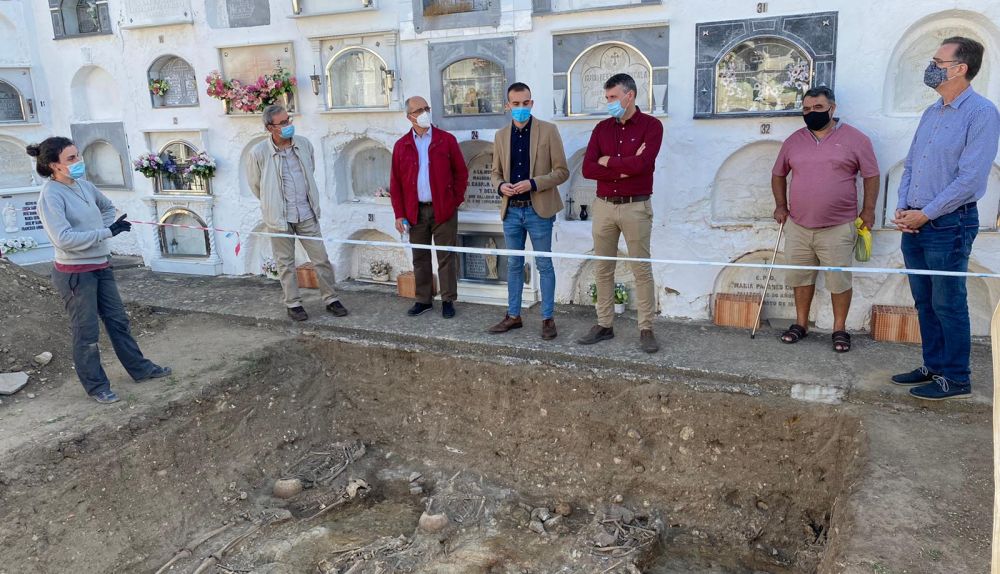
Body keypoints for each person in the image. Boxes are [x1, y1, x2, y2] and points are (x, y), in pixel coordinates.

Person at [891, 36, 1000, 400]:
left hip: (950, 223)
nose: (931, 67)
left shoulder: (981, 113)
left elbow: (970, 179)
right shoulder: (932, 112)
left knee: (948, 303)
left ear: (960, 69)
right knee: (924, 300)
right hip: (916, 222)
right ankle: (934, 365)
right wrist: (904, 207)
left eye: (938, 62)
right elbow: (912, 164)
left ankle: (956, 377)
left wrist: (925, 214)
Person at [31, 137, 171, 404]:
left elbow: (107, 207)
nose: (78, 162)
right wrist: (105, 232)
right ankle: (97, 386)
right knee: (86, 333)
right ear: (54, 165)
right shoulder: (51, 195)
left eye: (77, 155)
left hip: (101, 265)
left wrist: (106, 227)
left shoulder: (84, 186)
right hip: (75, 273)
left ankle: (140, 369)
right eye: (71, 158)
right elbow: (63, 239)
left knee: (118, 322)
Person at [771, 86, 880, 352]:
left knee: (838, 281)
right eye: (806, 109)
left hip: (839, 226)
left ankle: (839, 329)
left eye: (818, 108)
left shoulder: (856, 139)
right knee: (800, 277)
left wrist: (868, 211)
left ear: (832, 108)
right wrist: (780, 206)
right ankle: (800, 324)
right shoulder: (794, 141)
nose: (811, 113)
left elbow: (871, 175)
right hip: (798, 224)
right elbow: (778, 174)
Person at [577, 73, 663, 353]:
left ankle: (646, 328)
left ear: (630, 95)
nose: (609, 102)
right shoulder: (602, 128)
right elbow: (588, 168)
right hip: (603, 206)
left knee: (641, 268)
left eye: (613, 97)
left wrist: (608, 161)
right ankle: (604, 325)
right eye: (607, 98)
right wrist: (625, 165)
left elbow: (644, 165)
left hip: (636, 206)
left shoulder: (652, 126)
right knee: (603, 268)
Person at [247, 104, 348, 322]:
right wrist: (272, 204)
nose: (288, 125)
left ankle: (331, 299)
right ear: (270, 127)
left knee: (321, 259)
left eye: (288, 120)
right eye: (283, 122)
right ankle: (293, 303)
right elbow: (256, 186)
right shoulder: (259, 153)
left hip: (306, 212)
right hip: (279, 218)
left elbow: (310, 170)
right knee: (285, 263)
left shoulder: (303, 144)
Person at [488, 82, 569, 340]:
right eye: (516, 104)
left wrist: (533, 183)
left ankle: (547, 318)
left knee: (544, 264)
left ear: (531, 103)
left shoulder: (548, 131)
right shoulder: (501, 135)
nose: (521, 108)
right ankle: (513, 315)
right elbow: (495, 173)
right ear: (508, 105)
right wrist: (501, 186)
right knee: (513, 264)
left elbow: (562, 172)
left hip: (539, 211)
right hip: (511, 211)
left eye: (525, 103)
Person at [389, 95, 468, 319]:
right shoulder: (402, 145)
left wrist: (454, 200)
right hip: (415, 211)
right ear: (409, 117)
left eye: (426, 108)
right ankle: (423, 300)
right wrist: (399, 214)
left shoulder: (446, 140)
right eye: (418, 110)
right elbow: (396, 183)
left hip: (444, 210)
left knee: (446, 256)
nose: (424, 113)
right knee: (420, 257)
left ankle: (448, 300)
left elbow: (461, 173)